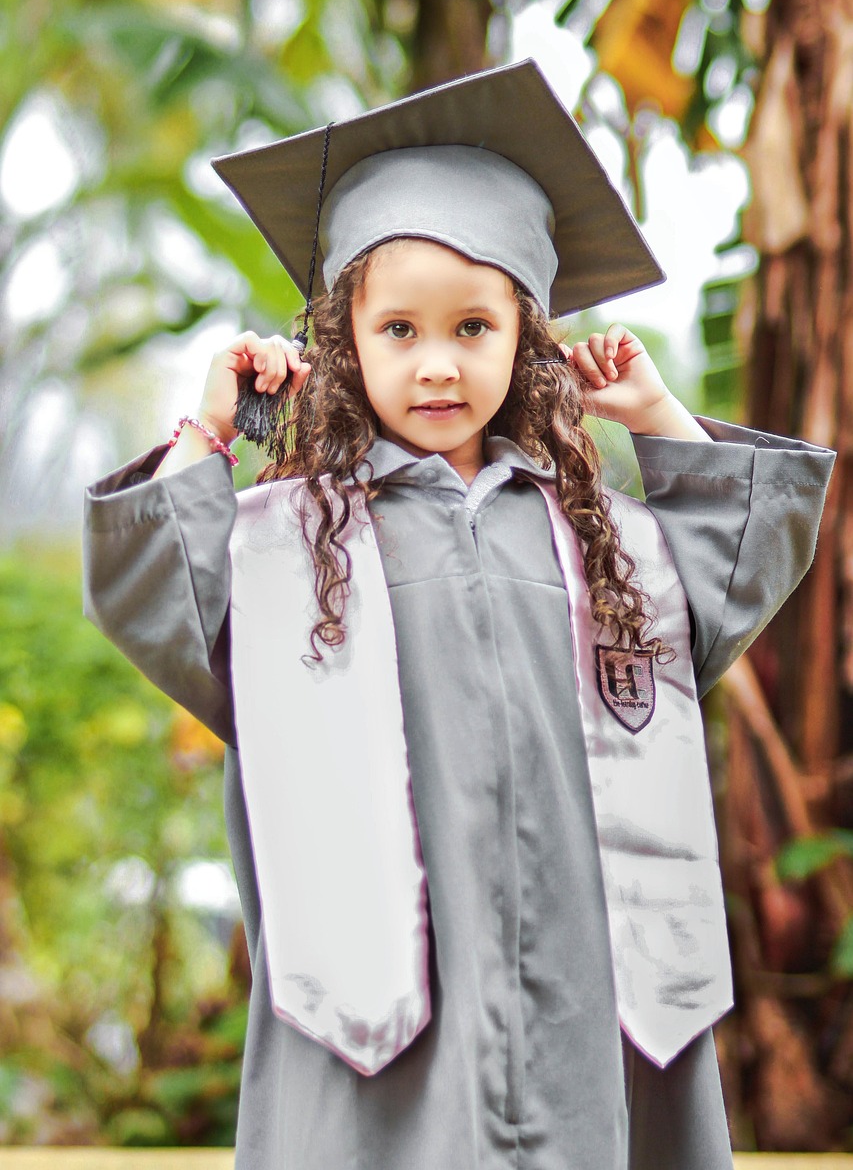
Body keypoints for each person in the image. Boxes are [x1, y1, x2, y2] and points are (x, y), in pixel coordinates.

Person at [83, 61, 834, 1170]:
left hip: (587, 1006)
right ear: (344, 342)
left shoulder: (606, 544)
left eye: (473, 327)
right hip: (382, 1030)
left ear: (523, 338)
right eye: (398, 329)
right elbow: (158, 602)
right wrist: (208, 435)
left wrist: (656, 416)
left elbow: (736, 570)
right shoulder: (286, 546)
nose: (436, 364)